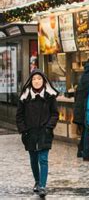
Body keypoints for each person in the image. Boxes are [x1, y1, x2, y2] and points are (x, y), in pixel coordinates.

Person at [16, 70, 59, 198]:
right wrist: (23, 130)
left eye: (39, 79)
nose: (36, 81)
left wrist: (49, 127)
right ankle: (37, 181)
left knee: (43, 159)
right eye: (34, 79)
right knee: (34, 159)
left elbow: (54, 114)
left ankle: (42, 186)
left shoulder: (49, 96)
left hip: (45, 132)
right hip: (30, 133)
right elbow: (19, 116)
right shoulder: (25, 97)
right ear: (30, 81)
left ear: (44, 80)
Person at [73, 57, 89, 160]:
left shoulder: (85, 73)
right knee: (88, 131)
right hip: (85, 108)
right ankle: (86, 152)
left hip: (80, 108)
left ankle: (82, 150)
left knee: (85, 131)